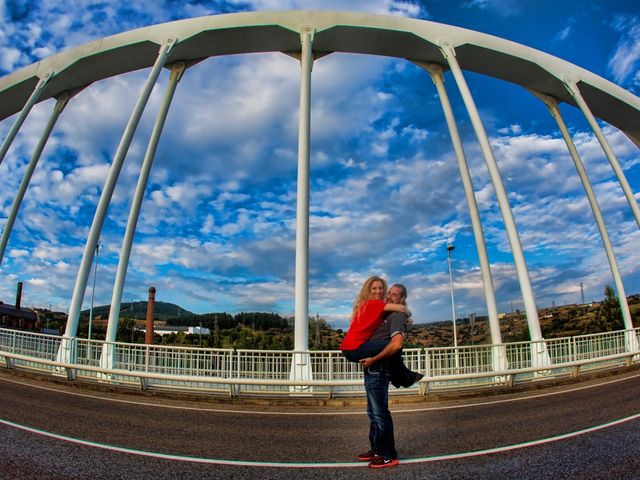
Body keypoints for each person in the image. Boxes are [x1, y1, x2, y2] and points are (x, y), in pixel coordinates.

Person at [341, 277, 421, 388]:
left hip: (351, 348)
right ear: (368, 290)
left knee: (393, 346)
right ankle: (402, 377)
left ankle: (401, 377)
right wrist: (408, 315)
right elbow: (402, 308)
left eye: (381, 288)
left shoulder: (376, 306)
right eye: (374, 288)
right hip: (354, 348)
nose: (378, 291)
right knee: (394, 345)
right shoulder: (373, 304)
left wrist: (408, 322)